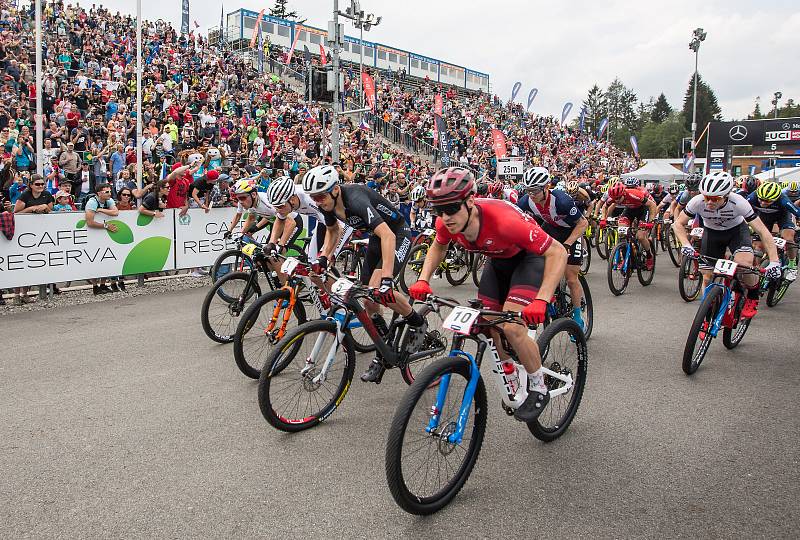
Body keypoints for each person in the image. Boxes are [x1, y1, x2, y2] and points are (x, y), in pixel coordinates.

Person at [407, 167, 567, 422]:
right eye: (439, 210)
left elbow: (558, 253)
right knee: (487, 325)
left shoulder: (504, 221)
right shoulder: (446, 222)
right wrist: (424, 280)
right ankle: (512, 375)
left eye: (451, 208)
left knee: (512, 328)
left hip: (529, 260)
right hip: (497, 262)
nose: (445, 217)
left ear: (470, 201)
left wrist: (542, 299)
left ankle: (538, 386)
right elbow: (438, 245)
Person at [303, 164, 421, 383]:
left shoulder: (355, 199)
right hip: (377, 237)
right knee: (368, 299)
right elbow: (332, 230)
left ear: (335, 189)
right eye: (313, 198)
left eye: (320, 196)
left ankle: (416, 321)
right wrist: (324, 255)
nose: (317, 202)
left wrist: (386, 277)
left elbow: (387, 235)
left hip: (396, 233)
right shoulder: (328, 203)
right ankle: (384, 345)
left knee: (377, 287)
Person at [672, 171, 781, 319]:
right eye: (706, 198)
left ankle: (753, 294)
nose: (709, 202)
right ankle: (707, 313)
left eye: (715, 199)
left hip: (736, 232)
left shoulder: (739, 202)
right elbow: (678, 223)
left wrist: (774, 261)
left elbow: (763, 232)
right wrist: (685, 244)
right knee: (707, 277)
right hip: (712, 233)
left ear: (726, 196)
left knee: (744, 265)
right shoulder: (697, 201)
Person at [517, 167, 588, 329]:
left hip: (571, 231)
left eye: (535, 190)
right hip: (551, 228)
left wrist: (568, 244)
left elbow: (583, 223)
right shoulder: (525, 201)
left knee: (570, 277)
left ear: (546, 187)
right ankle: (552, 294)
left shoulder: (562, 201)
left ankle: (577, 316)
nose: (531, 195)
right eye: (528, 191)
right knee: (534, 262)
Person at [747, 181, 800, 281]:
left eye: (767, 201)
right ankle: (758, 270)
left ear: (776, 198)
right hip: (763, 218)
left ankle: (792, 266)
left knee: (788, 239)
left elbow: (797, 212)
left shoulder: (783, 200)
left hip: (782, 217)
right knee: (757, 246)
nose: (763, 203)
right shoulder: (752, 197)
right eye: (761, 199)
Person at [600, 180, 659, 271]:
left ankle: (649, 256)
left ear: (623, 193)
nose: (617, 201)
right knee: (621, 232)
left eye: (619, 198)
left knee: (640, 236)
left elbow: (652, 205)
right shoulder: (614, 197)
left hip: (643, 210)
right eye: (615, 198)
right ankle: (626, 257)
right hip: (629, 210)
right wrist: (603, 219)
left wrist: (650, 221)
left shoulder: (634, 194)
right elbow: (605, 206)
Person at [84, 182, 123, 294]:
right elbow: (90, 222)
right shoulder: (92, 202)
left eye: (110, 191)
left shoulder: (108, 200)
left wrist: (101, 210)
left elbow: (115, 212)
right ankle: (95, 287)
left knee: (106, 257)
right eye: (106, 192)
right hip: (92, 233)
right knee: (95, 258)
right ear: (99, 193)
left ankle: (103, 284)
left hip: (103, 233)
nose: (109, 193)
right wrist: (106, 226)